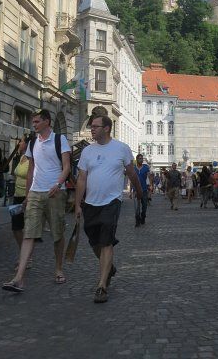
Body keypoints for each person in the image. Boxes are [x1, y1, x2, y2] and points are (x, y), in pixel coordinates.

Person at [75, 115, 142, 303]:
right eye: (91, 126)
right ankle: (109, 266)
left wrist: (139, 191)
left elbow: (131, 173)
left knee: (106, 242)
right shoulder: (87, 151)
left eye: (95, 126)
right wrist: (77, 204)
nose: (91, 129)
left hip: (112, 202)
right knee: (94, 241)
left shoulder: (121, 148)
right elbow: (81, 179)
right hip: (90, 203)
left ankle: (102, 285)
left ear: (106, 128)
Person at [3, 109, 71, 293]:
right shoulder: (33, 142)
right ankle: (19, 278)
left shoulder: (60, 140)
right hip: (35, 192)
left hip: (55, 193)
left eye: (37, 121)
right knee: (29, 233)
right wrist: (27, 195)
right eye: (33, 122)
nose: (33, 125)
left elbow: (66, 167)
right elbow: (31, 170)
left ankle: (58, 269)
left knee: (57, 233)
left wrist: (58, 184)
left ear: (47, 122)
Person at [133, 153, 153, 227]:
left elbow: (149, 176)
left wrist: (151, 185)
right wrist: (131, 190)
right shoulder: (134, 168)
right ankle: (137, 220)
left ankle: (143, 216)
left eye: (142, 158)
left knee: (144, 205)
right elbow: (131, 179)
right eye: (139, 158)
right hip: (136, 189)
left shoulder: (145, 167)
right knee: (137, 206)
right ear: (137, 159)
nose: (141, 160)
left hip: (144, 189)